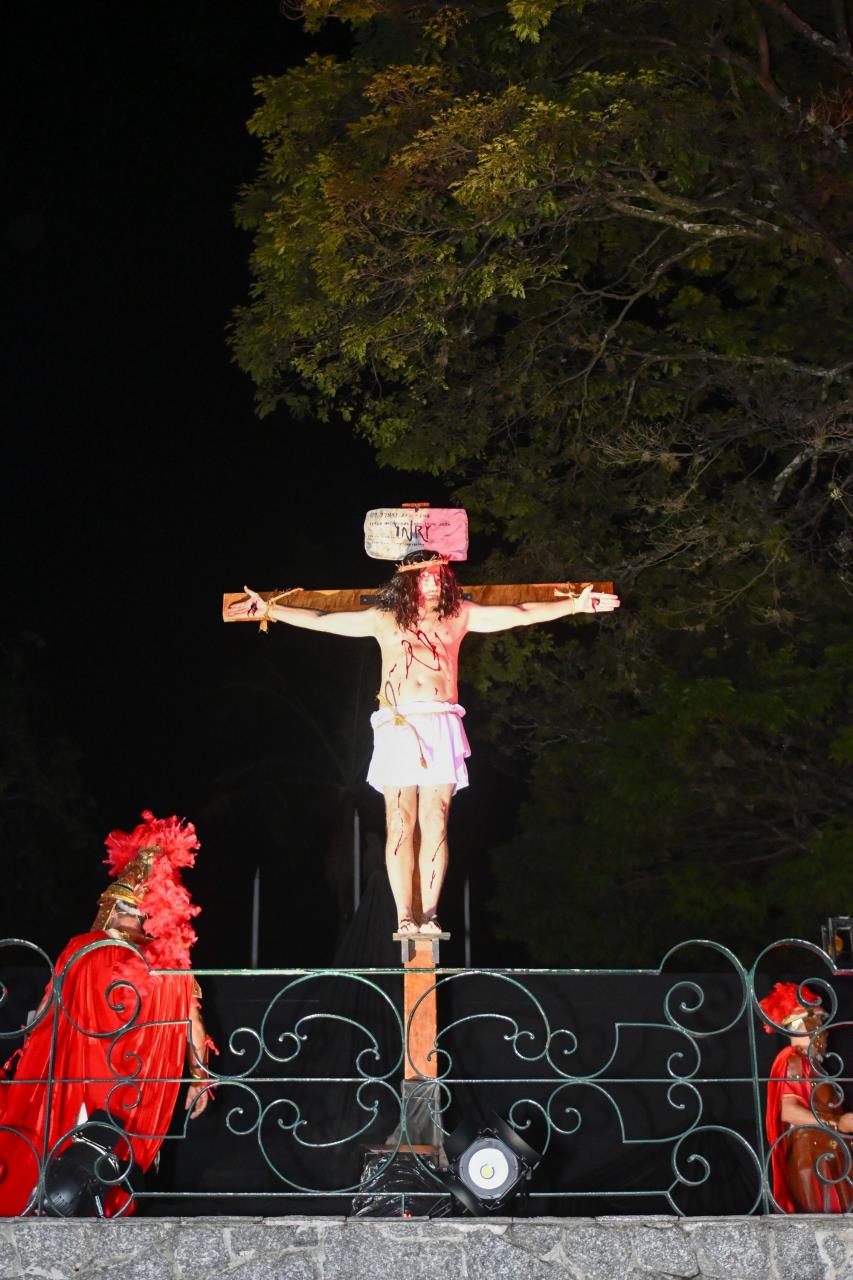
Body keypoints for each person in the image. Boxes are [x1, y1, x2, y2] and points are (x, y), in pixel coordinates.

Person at [228, 551, 619, 936]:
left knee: (435, 818)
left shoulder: (458, 616)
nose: (433, 581)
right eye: (425, 575)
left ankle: (429, 914)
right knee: (400, 820)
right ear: (408, 580)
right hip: (398, 724)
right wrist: (271, 609)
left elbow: (520, 612)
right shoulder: (384, 618)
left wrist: (574, 604)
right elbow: (322, 619)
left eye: (438, 574)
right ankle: (404, 915)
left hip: (440, 722)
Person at [0, 811, 214, 1216]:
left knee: (62, 1141)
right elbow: (194, 1025)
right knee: (112, 1158)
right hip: (134, 1090)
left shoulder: (81, 947)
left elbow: (45, 1011)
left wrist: (33, 1051)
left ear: (110, 907)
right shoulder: (171, 962)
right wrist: (199, 1079)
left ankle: (50, 1204)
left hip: (78, 1076)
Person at [759, 981, 853, 1213]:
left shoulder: (811, 1064)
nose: (824, 1031)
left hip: (827, 1151)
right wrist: (835, 1123)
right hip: (811, 1155)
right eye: (819, 1022)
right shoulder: (793, 1060)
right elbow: (788, 1111)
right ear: (804, 1024)